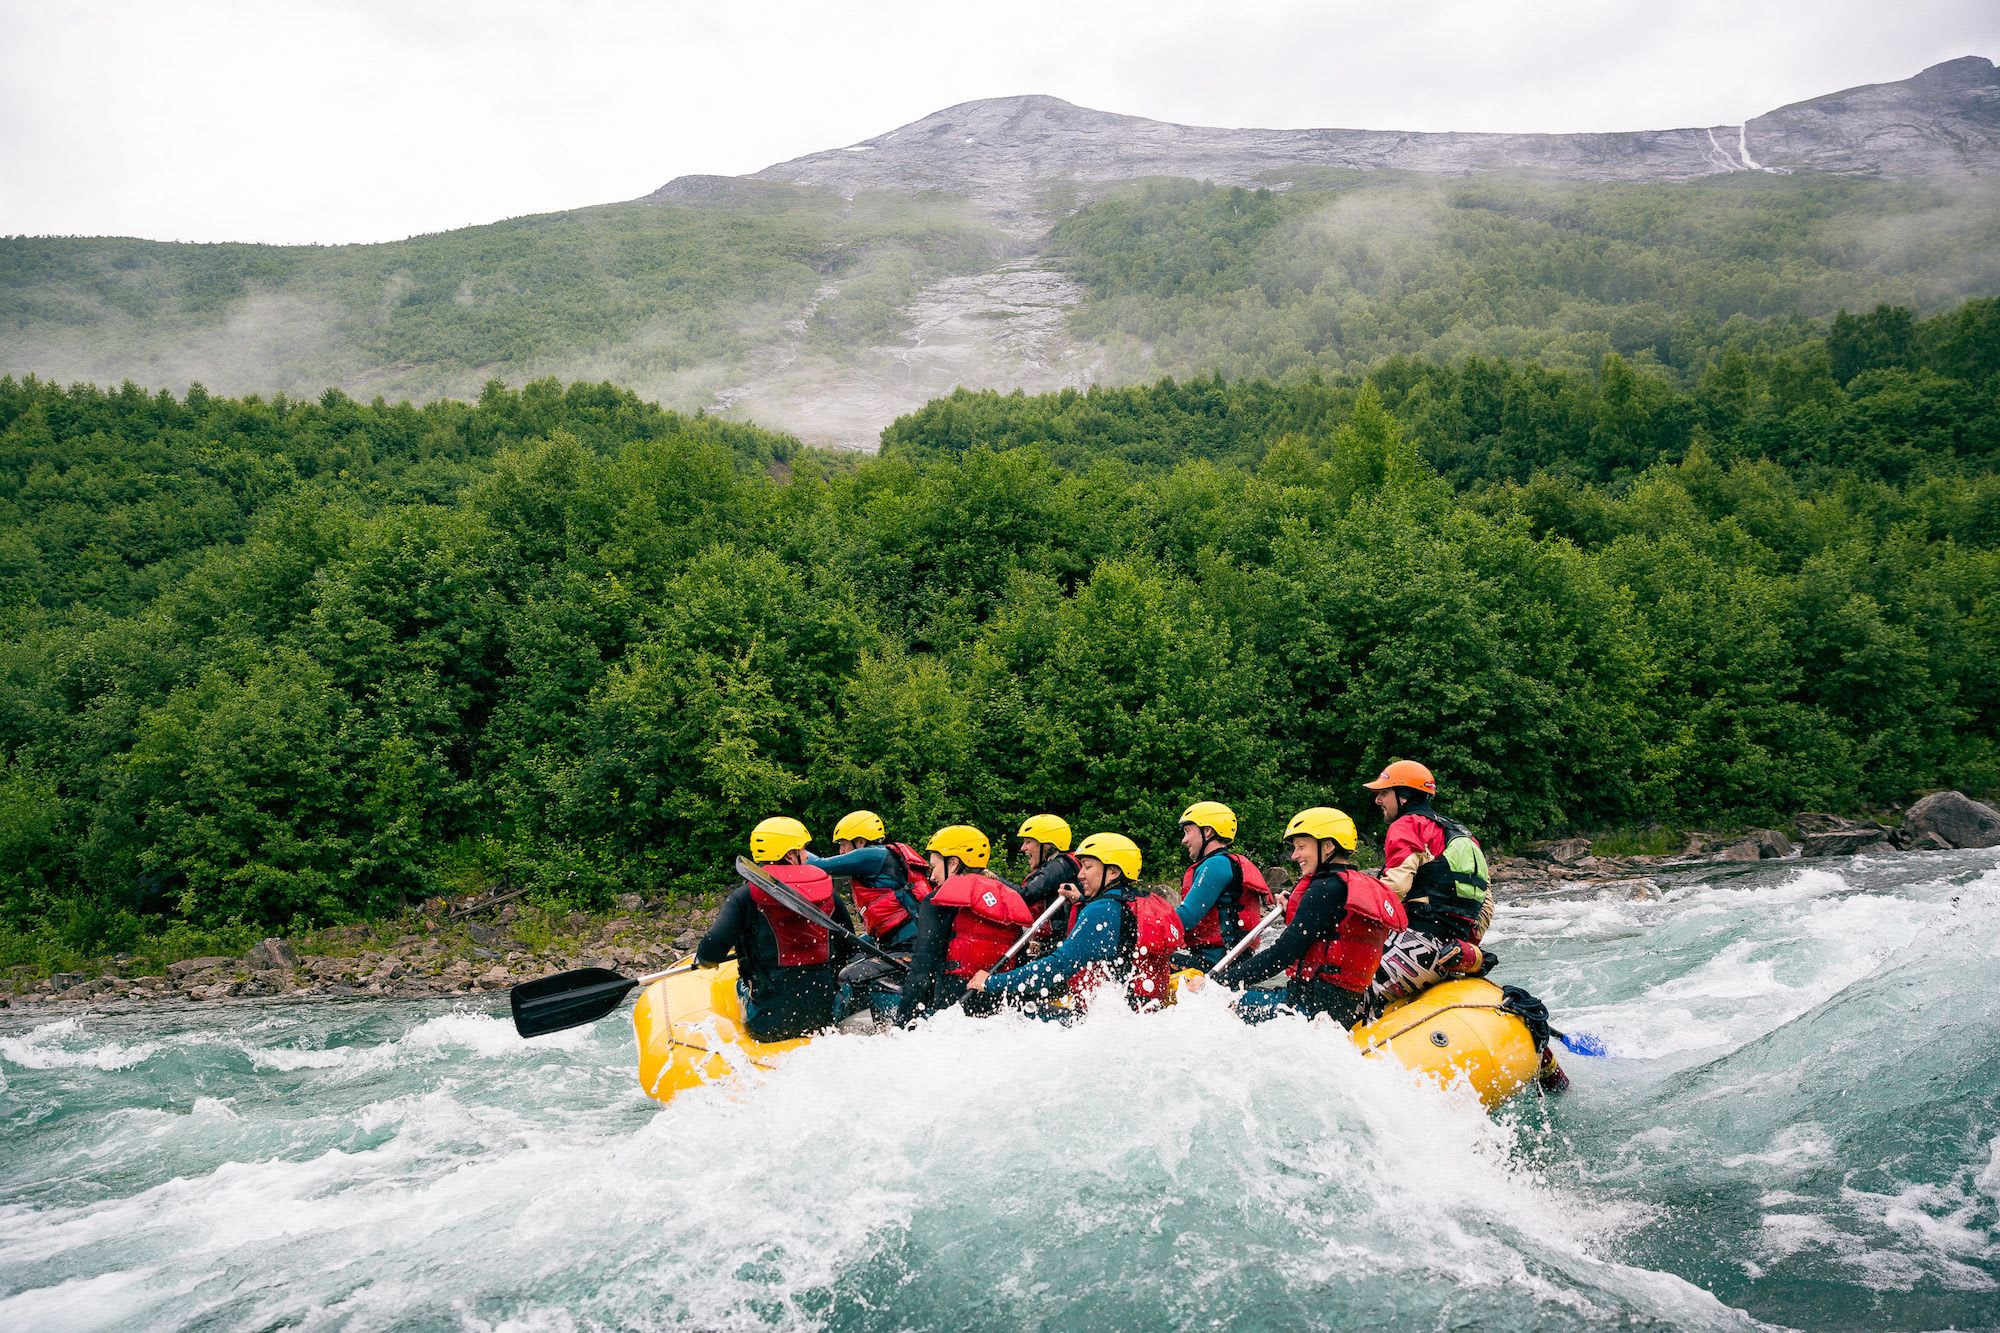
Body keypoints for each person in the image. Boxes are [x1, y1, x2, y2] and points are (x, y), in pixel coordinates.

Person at [1199, 807, 1406, 1027]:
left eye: (1301, 847)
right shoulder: (1345, 886)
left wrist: (1216, 983)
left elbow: (1280, 955)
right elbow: (1325, 928)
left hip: (1309, 1008)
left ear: (1328, 846)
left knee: (1219, 1004)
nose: (1294, 855)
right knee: (1247, 992)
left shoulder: (1324, 889)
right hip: (1340, 1008)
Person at [968, 832, 1184, 1014]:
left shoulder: (1103, 910)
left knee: (1019, 1013)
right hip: (1135, 1009)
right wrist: (1080, 902)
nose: (1080, 875)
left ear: (1113, 872)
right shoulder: (1136, 900)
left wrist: (992, 983)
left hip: (1110, 1017)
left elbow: (1058, 966)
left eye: (1088, 867)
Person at [696, 816, 852, 1041]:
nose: (807, 855)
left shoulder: (744, 896)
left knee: (739, 984)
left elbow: (710, 953)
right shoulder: (829, 894)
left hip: (769, 1023)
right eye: (804, 849)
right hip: (823, 1018)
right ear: (790, 855)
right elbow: (847, 946)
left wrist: (703, 961)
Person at [1360, 761, 1493, 1015]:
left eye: (1384, 793)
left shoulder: (1407, 825)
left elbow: (1395, 887)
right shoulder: (1461, 834)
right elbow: (1486, 902)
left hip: (1418, 945)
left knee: (1347, 989)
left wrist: (1346, 914)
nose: (1378, 800)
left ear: (1405, 796)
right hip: (1452, 952)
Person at [894, 825, 1035, 1024]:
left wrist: (902, 1023)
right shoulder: (1006, 899)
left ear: (953, 864)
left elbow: (922, 970)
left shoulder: (939, 901)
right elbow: (1018, 963)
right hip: (999, 1006)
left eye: (934, 867)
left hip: (952, 1004)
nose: (932, 877)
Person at [806, 810, 934, 950]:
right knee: (852, 949)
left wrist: (793, 848)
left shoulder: (872, 856)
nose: (841, 851)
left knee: (849, 972)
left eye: (843, 844)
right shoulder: (879, 858)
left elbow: (819, 865)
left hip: (911, 942)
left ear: (860, 841)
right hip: (901, 938)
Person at [1173, 800, 1274, 971]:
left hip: (1219, 964)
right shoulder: (1220, 863)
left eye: (1188, 831)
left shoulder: (1216, 865)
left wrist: (1141, 927)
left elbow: (1186, 918)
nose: (1184, 840)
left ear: (1207, 831)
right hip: (1220, 959)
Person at [1015, 814, 1080, 953]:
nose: (1023, 848)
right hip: (1055, 943)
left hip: (1062, 946)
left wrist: (993, 879)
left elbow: (1025, 895)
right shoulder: (1057, 865)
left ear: (1047, 845)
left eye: (1028, 842)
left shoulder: (1060, 866)